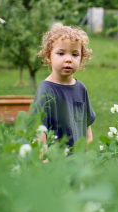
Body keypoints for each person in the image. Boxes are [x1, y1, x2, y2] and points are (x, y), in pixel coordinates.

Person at [33, 23, 95, 156]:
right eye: (61, 53)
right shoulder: (46, 89)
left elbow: (87, 127)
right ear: (49, 56)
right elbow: (39, 132)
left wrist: (90, 155)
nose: (68, 59)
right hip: (55, 167)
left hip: (79, 165)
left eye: (75, 54)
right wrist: (43, 160)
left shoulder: (81, 89)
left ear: (82, 58)